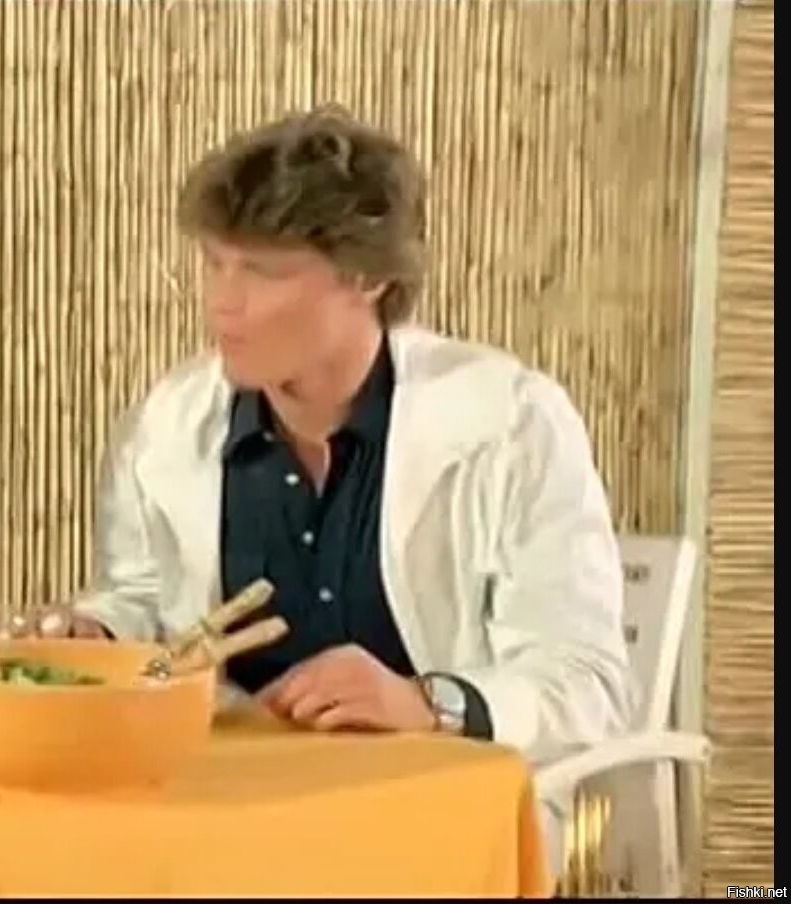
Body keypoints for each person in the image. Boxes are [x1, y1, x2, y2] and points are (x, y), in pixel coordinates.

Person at [67, 107, 633, 877]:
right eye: (213, 264)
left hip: (430, 801)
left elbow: (586, 683)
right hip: (229, 805)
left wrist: (425, 702)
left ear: (368, 276)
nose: (222, 303)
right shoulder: (169, 423)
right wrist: (93, 636)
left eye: (262, 272)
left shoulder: (512, 423)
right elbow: (147, 607)